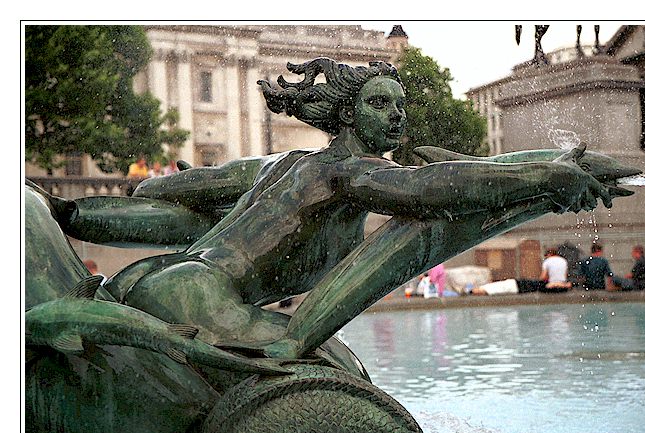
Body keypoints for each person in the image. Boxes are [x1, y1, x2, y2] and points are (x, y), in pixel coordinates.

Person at [37, 58, 614, 361]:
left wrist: (74, 216)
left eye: (400, 105)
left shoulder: (279, 167)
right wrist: (545, 175)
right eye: (379, 104)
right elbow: (438, 189)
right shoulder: (352, 174)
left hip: (150, 277)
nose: (396, 117)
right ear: (346, 114)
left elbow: (166, 196)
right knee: (329, 368)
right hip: (202, 299)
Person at [471, 248, 571, 295]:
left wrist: (545, 282)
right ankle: (478, 290)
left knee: (508, 284)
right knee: (508, 284)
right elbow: (564, 275)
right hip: (559, 284)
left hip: (519, 285)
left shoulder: (548, 261)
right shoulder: (563, 260)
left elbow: (543, 277)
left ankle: (476, 290)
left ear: (549, 255)